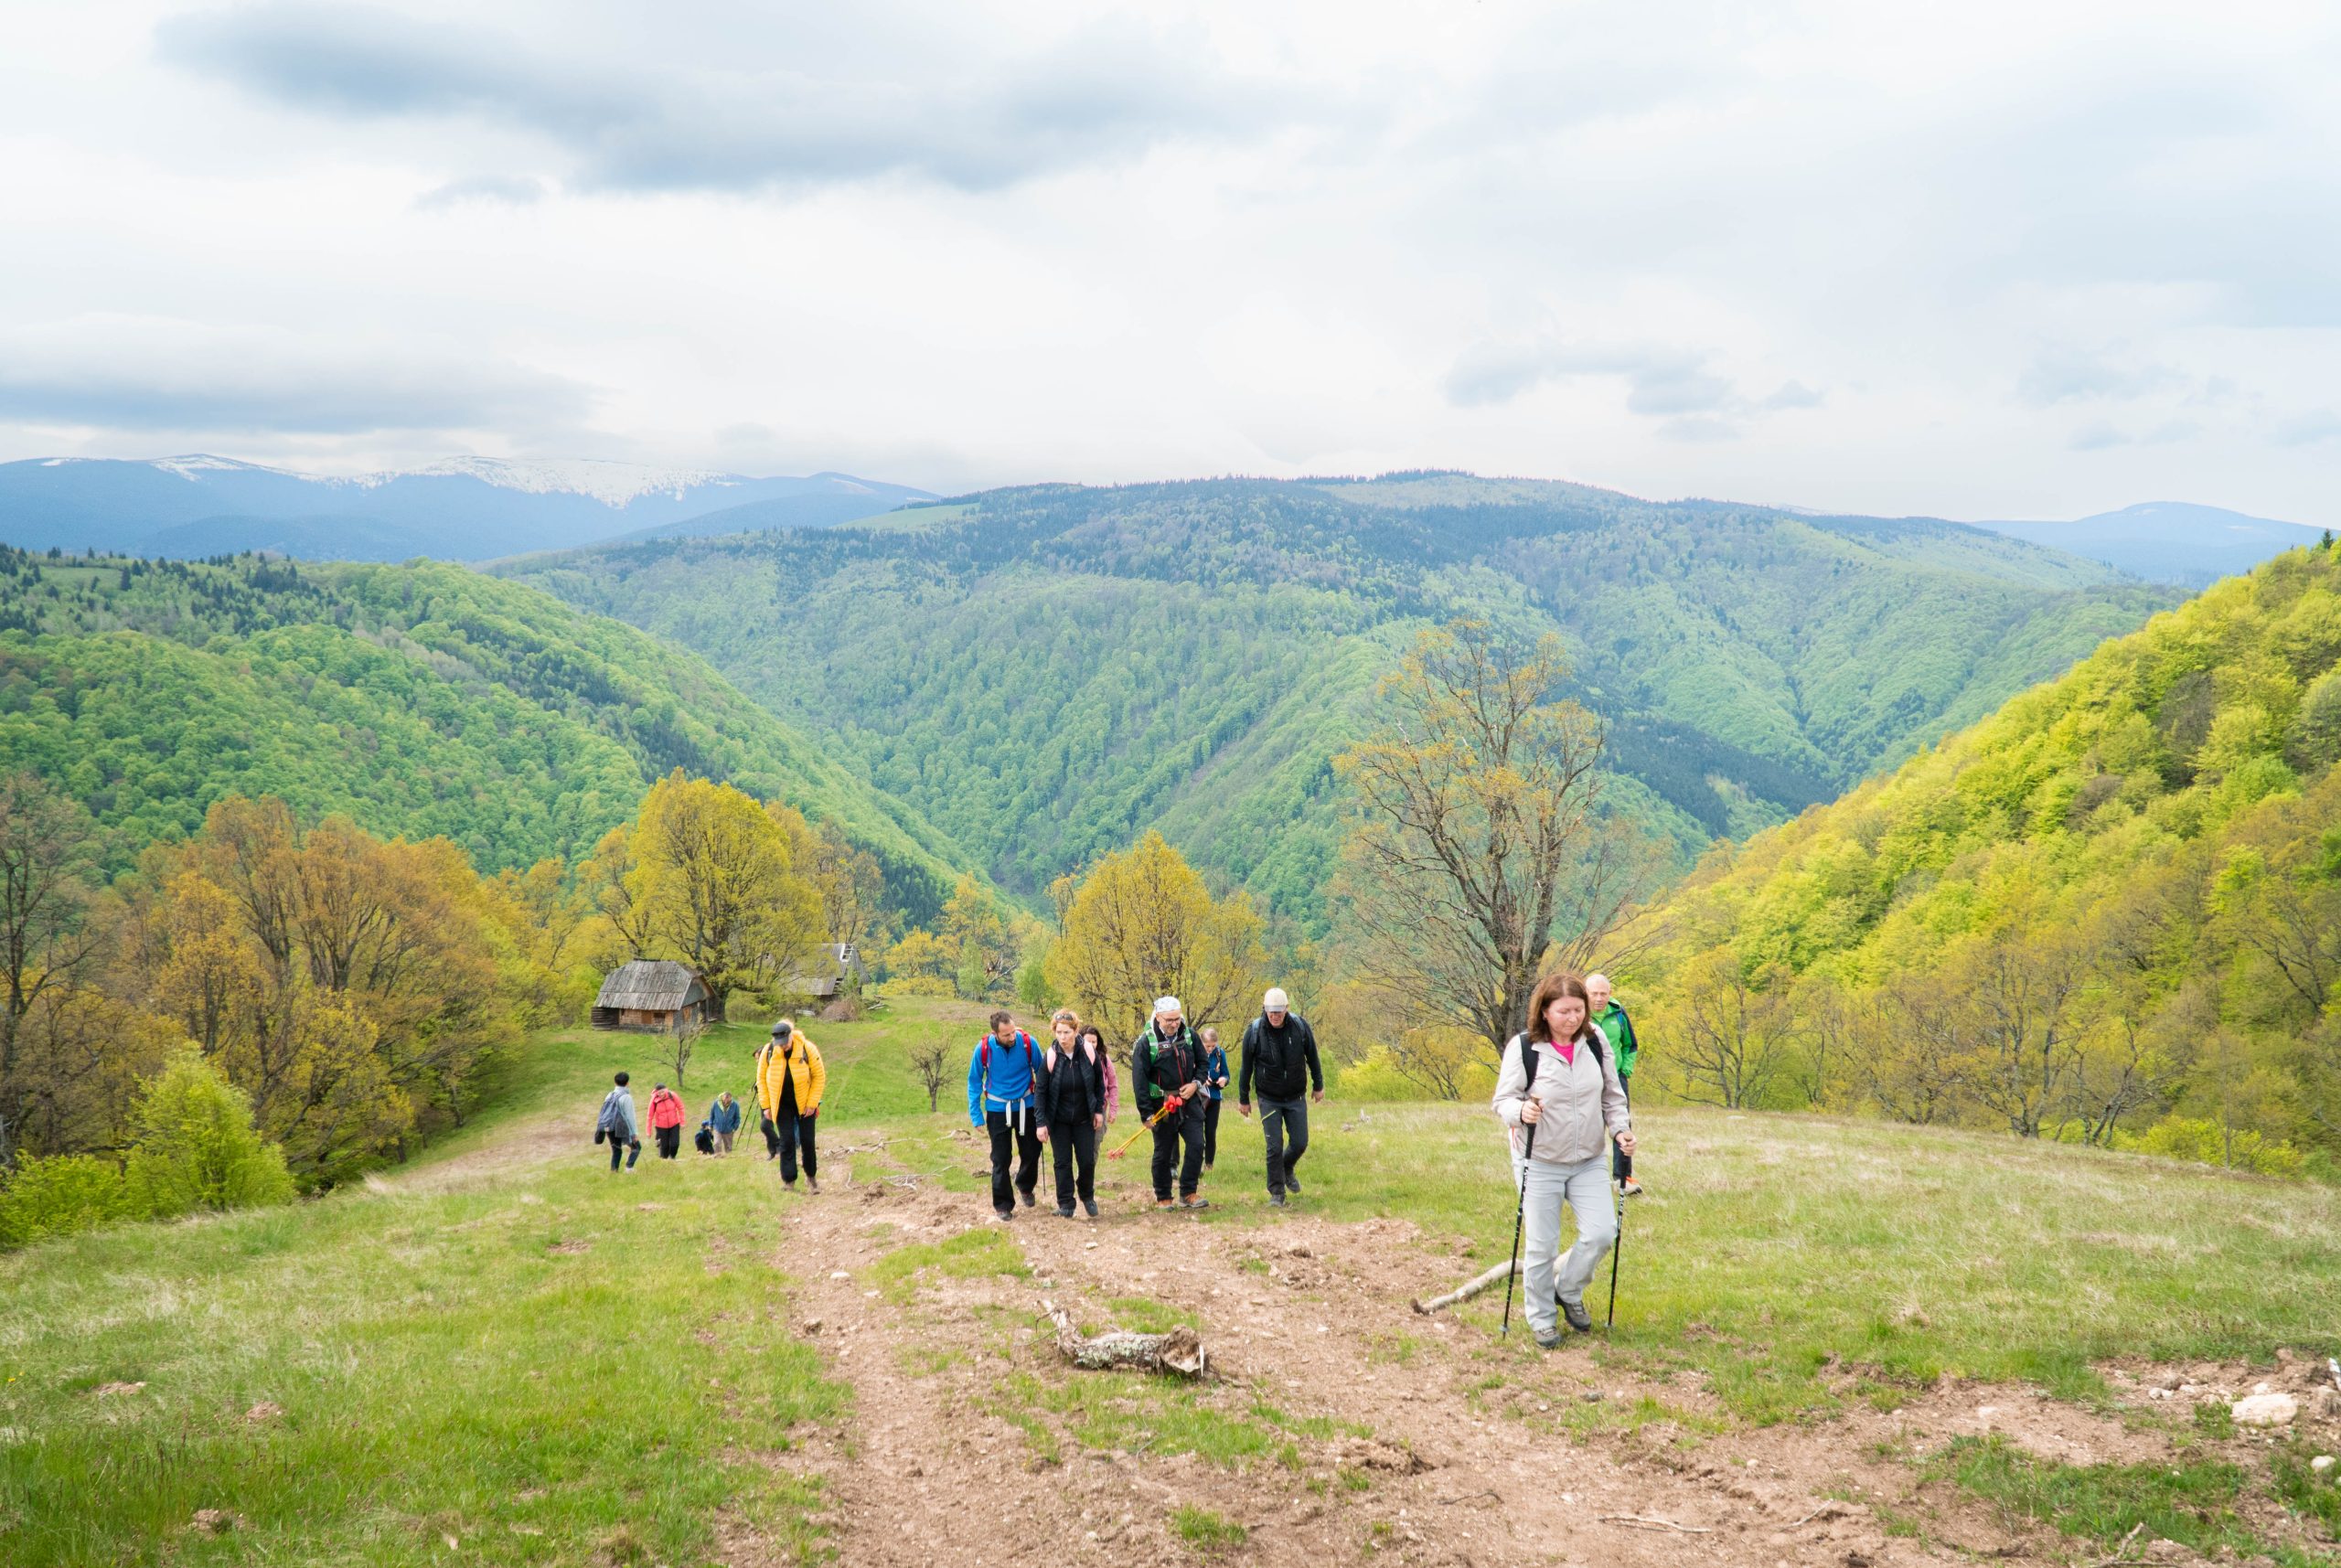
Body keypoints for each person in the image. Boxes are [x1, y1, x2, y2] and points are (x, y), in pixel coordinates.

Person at [1492, 971, 1636, 1349]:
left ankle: (1568, 1290)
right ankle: (1541, 1318)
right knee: (1542, 1245)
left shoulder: (1595, 1040)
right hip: (1538, 1158)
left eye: (1578, 1010)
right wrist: (1520, 1111)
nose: (1572, 1019)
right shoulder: (1524, 1048)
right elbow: (1502, 1101)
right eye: (1563, 1011)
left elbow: (1611, 1093)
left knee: (1603, 1232)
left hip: (1588, 1157)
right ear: (1544, 1012)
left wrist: (1620, 1129)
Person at [1237, 987, 1324, 1207]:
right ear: (1264, 1009)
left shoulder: (1300, 1027)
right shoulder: (1255, 1032)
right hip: (1268, 1097)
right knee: (1274, 1146)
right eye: (1270, 1011)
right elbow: (1246, 1068)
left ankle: (1286, 1167)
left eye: (1278, 1011)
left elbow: (1313, 1056)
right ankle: (1276, 1194)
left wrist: (1318, 1085)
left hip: (1296, 1096)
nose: (1274, 1016)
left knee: (1300, 1143)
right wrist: (1244, 1099)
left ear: (1287, 1009)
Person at [1133, 997, 1209, 1211]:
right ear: (1158, 1017)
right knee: (1163, 1151)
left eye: (1177, 1019)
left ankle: (1188, 1192)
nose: (1174, 1023)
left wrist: (1196, 1083)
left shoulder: (1190, 1035)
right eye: (1169, 1020)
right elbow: (1139, 1080)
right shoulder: (1146, 1043)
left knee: (1196, 1145)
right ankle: (1164, 1196)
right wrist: (1146, 1113)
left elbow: (1203, 1063)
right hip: (1162, 1106)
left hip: (1189, 1101)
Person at [967, 1010, 1042, 1219]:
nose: (1012, 1037)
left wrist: (1043, 1110)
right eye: (1006, 1035)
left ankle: (1025, 1186)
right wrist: (976, 1115)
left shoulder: (1028, 1043)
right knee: (1000, 1158)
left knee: (1031, 1152)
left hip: (1026, 1106)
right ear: (995, 1034)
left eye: (1013, 1032)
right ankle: (1003, 1205)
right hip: (998, 1109)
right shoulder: (982, 1049)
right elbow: (974, 1081)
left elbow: (1043, 1073)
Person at [1035, 1008, 1106, 1218]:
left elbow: (1099, 1085)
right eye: (1059, 1032)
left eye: (1067, 1032)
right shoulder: (1050, 1057)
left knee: (1086, 1161)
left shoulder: (1089, 1053)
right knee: (1062, 1162)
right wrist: (1041, 1123)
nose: (1063, 1037)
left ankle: (1087, 1195)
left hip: (1084, 1118)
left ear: (1076, 1031)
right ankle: (1066, 1204)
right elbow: (1041, 1091)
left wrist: (1099, 1110)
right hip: (1059, 1120)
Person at [1585, 973, 1643, 1197]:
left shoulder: (1618, 1012)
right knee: (1590, 1126)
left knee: (1622, 1125)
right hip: (1586, 1080)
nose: (1599, 998)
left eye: (1603, 993)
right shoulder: (1578, 1014)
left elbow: (1631, 1045)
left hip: (1615, 1078)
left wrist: (1624, 1071)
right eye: (1594, 994)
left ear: (1610, 994)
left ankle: (1623, 1178)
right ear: (1585, 994)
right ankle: (1588, 1178)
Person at [756, 1019, 827, 1192]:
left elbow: (819, 1076)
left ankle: (811, 1178)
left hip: (804, 1103)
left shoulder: (807, 1048)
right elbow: (762, 1080)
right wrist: (766, 1106)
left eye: (785, 1043)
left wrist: (812, 1103)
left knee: (807, 1141)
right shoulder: (769, 1051)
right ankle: (789, 1181)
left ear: (791, 1036)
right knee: (786, 1142)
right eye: (779, 1044)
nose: (783, 1047)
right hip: (781, 1105)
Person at [1198, 1026, 1231, 1170]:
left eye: (1213, 1045)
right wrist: (1201, 1080)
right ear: (1202, 1043)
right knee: (1198, 1134)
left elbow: (1226, 1073)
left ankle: (1209, 1164)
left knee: (1210, 1132)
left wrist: (1224, 1080)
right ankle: (1196, 1162)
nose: (1210, 1049)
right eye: (1207, 1046)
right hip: (1199, 1098)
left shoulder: (1219, 1053)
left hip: (1215, 1098)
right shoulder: (1196, 1053)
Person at [596, 1071, 641, 1172]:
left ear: (615, 1083)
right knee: (636, 1147)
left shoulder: (610, 1095)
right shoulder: (626, 1097)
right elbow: (630, 1117)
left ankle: (614, 1171)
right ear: (627, 1083)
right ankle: (629, 1168)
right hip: (620, 1126)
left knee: (616, 1149)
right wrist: (634, 1133)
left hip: (609, 1125)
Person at [1080, 1023, 1121, 1129]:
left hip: (1100, 1107)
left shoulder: (1104, 1059)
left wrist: (1113, 1110)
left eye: (1094, 1042)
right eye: (1088, 1041)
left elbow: (1113, 1085)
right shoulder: (1075, 1059)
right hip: (1080, 1108)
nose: (1091, 1044)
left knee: (1096, 1140)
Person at [647, 1081, 687, 1160]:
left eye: (662, 1092)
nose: (661, 1094)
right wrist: (648, 1131)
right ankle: (664, 1161)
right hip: (661, 1127)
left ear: (666, 1090)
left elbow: (681, 1107)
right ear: (656, 1093)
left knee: (675, 1144)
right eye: (659, 1093)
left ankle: (672, 1158)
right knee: (665, 1147)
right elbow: (649, 1116)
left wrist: (682, 1122)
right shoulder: (654, 1100)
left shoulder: (672, 1095)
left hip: (674, 1124)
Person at [708, 1090, 743, 1156]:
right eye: (725, 1101)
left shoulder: (735, 1105)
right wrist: (710, 1125)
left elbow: (737, 1118)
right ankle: (718, 1158)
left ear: (731, 1099)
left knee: (728, 1148)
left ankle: (728, 1160)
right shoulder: (716, 1103)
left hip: (729, 1130)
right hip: (717, 1128)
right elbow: (711, 1115)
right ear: (722, 1098)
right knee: (716, 1143)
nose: (726, 1102)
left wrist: (734, 1128)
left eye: (728, 1101)